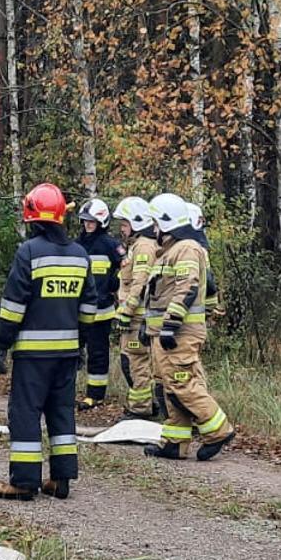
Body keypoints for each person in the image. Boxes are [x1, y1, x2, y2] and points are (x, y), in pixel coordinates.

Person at [0, 184, 95, 500]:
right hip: (66, 353)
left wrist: (1, 344)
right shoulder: (80, 254)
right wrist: (82, 345)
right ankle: (61, 480)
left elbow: (14, 305)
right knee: (62, 413)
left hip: (33, 356)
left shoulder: (30, 252)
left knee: (25, 414)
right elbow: (89, 307)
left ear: (33, 218)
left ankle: (23, 483)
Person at [141, 193, 235, 461]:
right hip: (164, 334)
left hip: (179, 333)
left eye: (157, 224)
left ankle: (218, 430)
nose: (154, 230)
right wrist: (149, 328)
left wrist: (170, 325)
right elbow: (159, 295)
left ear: (167, 224)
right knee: (170, 386)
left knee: (183, 384)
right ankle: (175, 441)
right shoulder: (168, 252)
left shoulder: (186, 249)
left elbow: (188, 286)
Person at [111, 197, 161, 419]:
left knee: (135, 362)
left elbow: (140, 282)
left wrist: (126, 312)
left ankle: (141, 409)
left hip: (137, 319)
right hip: (133, 318)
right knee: (129, 360)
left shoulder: (143, 247)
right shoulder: (139, 245)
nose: (122, 229)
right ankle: (146, 404)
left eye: (125, 224)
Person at [74, 198, 123, 410]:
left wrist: (115, 282)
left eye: (92, 221)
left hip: (101, 311)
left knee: (98, 353)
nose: (88, 225)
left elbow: (127, 271)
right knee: (73, 352)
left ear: (101, 221)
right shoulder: (76, 245)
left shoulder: (112, 245)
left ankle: (95, 394)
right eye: (85, 221)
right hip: (77, 308)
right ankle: (67, 391)